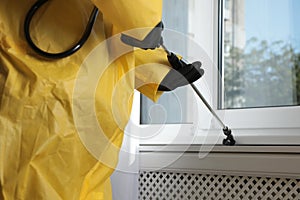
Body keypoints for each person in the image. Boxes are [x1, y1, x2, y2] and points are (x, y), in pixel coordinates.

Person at [0, 0, 203, 199]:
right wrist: (143, 22)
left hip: (95, 126)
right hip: (43, 101)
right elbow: (134, 16)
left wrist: (155, 71)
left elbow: (108, 27)